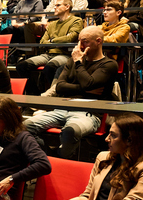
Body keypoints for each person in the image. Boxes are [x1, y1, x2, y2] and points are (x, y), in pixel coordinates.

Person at [24, 25, 120, 158]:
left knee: (70, 131)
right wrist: (86, 88)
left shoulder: (109, 64)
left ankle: (60, 159)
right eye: (79, 41)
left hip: (89, 113)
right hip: (63, 108)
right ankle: (49, 157)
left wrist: (78, 63)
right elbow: (60, 86)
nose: (80, 46)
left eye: (85, 41)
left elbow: (88, 82)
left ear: (99, 41)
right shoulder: (72, 60)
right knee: (25, 126)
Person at [15, 0, 83, 93]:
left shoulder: (76, 20)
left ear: (67, 7)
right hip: (47, 54)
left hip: (64, 54)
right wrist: (57, 41)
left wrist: (51, 41)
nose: (55, 7)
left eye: (58, 5)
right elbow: (43, 42)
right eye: (55, 5)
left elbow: (70, 38)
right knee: (21, 66)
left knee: (49, 68)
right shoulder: (52, 24)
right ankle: (35, 94)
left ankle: (54, 94)